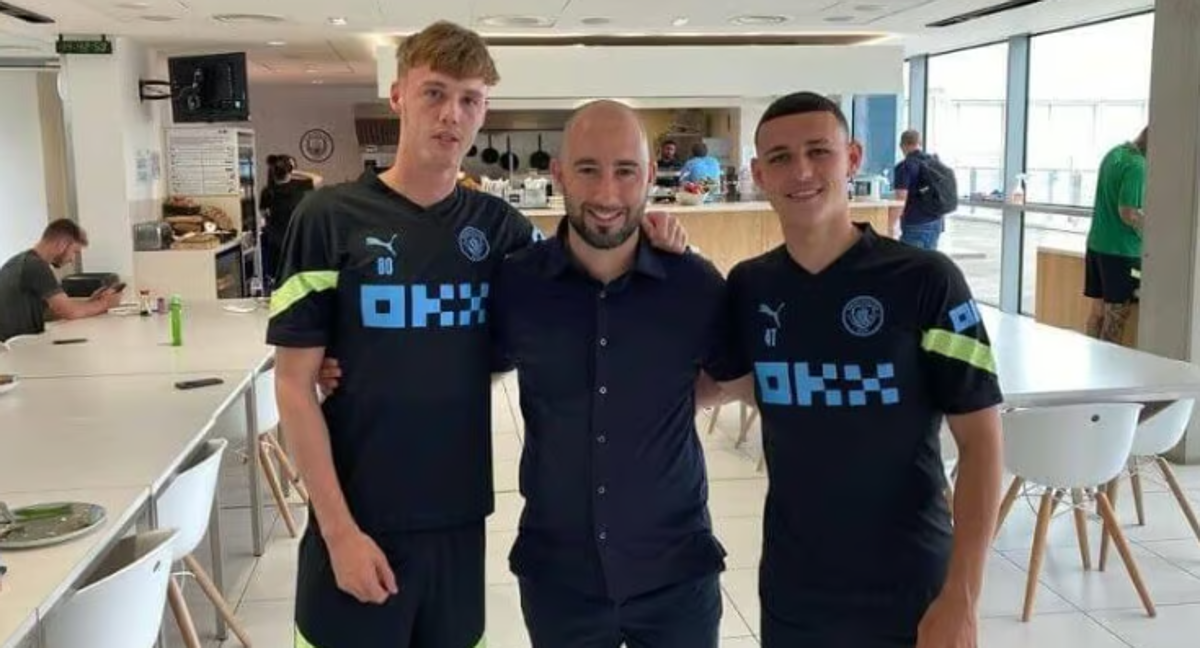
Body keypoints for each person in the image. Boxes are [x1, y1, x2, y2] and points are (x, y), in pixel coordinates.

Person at [268, 21, 686, 648]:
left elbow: (586, 292)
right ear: (398, 96)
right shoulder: (328, 219)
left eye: (470, 99)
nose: (452, 115)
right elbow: (294, 385)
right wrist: (338, 533)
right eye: (434, 93)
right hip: (357, 517)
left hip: (460, 519)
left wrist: (660, 237)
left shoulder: (499, 229)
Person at [707, 92, 1004, 648]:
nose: (801, 171)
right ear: (757, 174)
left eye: (819, 151)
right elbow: (721, 386)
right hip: (796, 586)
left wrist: (962, 597)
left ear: (853, 157)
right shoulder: (749, 287)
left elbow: (983, 442)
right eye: (779, 158)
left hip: (912, 583)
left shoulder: (928, 280)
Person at [491, 100, 728, 648]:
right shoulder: (516, 285)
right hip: (558, 572)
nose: (605, 195)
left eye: (625, 171)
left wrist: (665, 402)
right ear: (558, 174)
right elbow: (460, 363)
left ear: (648, 175)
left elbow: (730, 376)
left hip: (676, 568)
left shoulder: (693, 284)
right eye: (588, 169)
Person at [0, 218, 123, 342]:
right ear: (62, 244)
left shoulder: (21, 262)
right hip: (18, 350)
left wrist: (89, 303)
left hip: (12, 348)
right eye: (74, 251)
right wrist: (107, 304)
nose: (72, 259)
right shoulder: (36, 266)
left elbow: (51, 312)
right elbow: (69, 312)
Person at [1084, 127, 1148, 344]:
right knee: (1116, 318)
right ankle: (1108, 372)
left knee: (1097, 313)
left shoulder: (1115, 154)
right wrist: (1154, 231)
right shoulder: (1139, 166)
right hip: (1122, 254)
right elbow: (1128, 212)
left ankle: (1091, 362)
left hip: (1096, 246)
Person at [259, 154, 321, 290]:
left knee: (278, 277)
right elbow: (318, 178)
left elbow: (263, 213)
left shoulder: (268, 191)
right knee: (297, 276)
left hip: (276, 240)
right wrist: (295, 171)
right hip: (296, 238)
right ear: (289, 170)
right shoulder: (299, 186)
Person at [892, 130, 945, 250]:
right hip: (936, 221)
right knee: (927, 263)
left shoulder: (904, 167)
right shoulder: (934, 162)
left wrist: (891, 225)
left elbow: (901, 199)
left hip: (915, 224)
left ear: (902, 146)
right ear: (920, 143)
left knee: (911, 265)